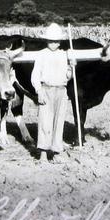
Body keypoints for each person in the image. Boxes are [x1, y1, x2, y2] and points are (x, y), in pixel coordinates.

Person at [31, 23, 75, 163]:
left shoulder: (64, 55)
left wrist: (72, 68)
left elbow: (68, 77)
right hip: (46, 89)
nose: (53, 43)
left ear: (60, 41)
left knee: (59, 121)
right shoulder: (41, 54)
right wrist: (39, 91)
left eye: (56, 41)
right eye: (51, 40)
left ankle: (56, 152)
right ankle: (43, 153)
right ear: (46, 40)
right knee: (45, 121)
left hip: (61, 91)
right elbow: (35, 75)